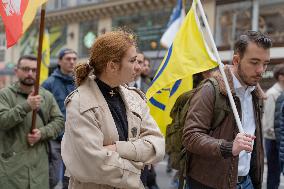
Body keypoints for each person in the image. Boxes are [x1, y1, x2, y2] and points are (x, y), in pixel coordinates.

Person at [61, 30, 165, 189]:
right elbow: (93, 163)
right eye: (132, 61)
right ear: (112, 66)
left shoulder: (134, 97)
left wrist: (117, 148)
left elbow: (157, 145)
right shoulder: (80, 102)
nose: (137, 67)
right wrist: (138, 169)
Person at [182, 30, 272, 189]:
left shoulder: (255, 94)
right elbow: (191, 136)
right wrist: (228, 147)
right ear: (236, 60)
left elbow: (255, 147)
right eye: (254, 62)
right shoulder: (211, 90)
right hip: (210, 183)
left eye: (265, 64)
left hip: (246, 181)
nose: (261, 70)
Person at [0, 55, 64, 189]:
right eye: (26, 69)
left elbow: (59, 121)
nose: (30, 73)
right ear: (17, 71)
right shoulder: (5, 95)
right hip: (12, 172)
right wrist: (26, 106)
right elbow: (3, 121)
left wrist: (42, 133)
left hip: (39, 171)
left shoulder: (46, 96)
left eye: (34, 70)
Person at [42, 48, 77, 189]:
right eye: (68, 59)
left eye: (74, 59)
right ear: (59, 61)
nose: (72, 62)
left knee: (71, 180)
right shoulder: (48, 84)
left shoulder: (80, 83)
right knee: (52, 177)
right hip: (55, 139)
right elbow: (41, 111)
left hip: (75, 139)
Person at [262, 64, 284, 189]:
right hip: (273, 139)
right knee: (274, 172)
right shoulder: (272, 93)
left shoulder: (280, 92)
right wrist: (276, 136)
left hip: (279, 137)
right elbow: (269, 121)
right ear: (281, 77)